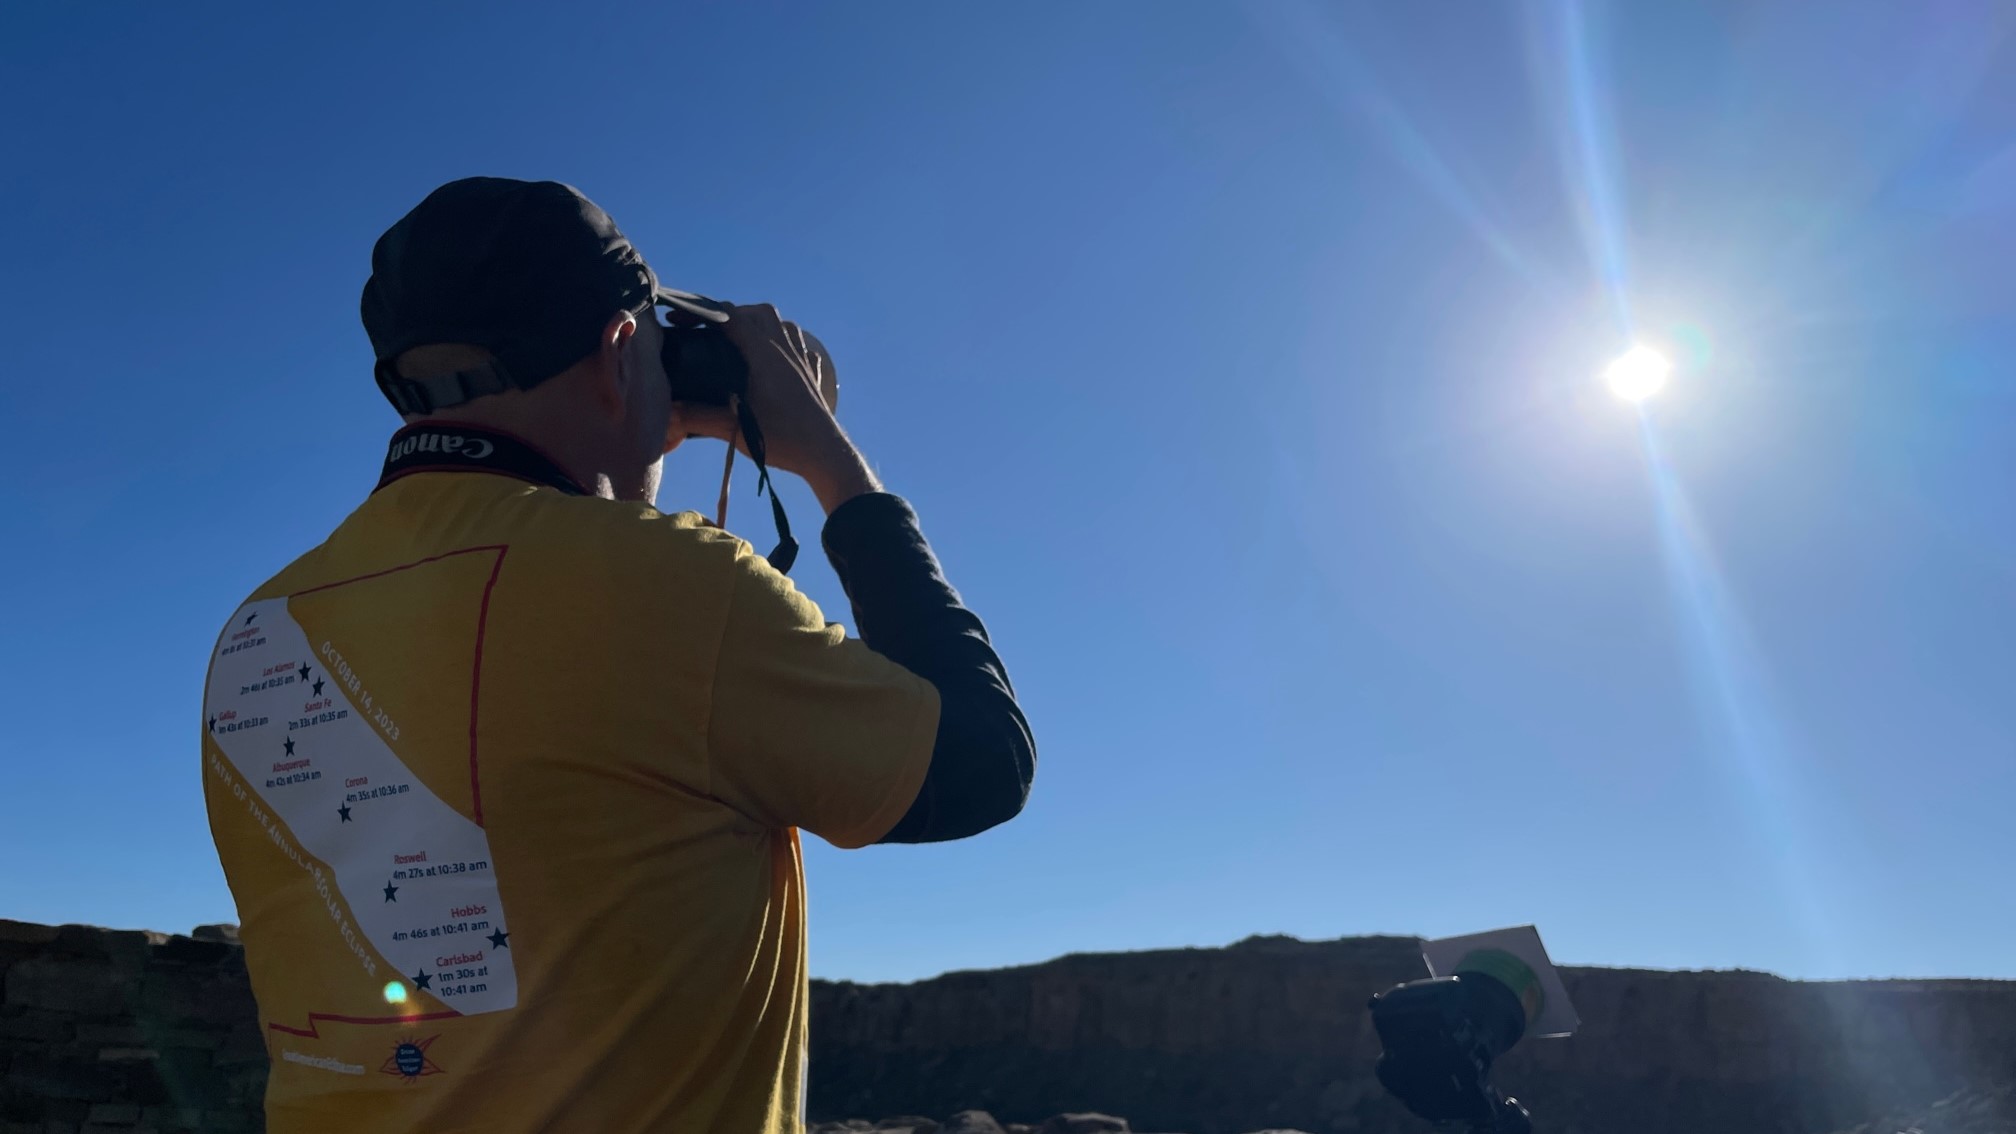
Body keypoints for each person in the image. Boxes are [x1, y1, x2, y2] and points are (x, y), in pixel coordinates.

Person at [200, 177, 1035, 1133]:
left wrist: (619, 439)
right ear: (622, 346)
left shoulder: (261, 627)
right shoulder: (669, 587)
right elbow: (982, 765)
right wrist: (830, 462)